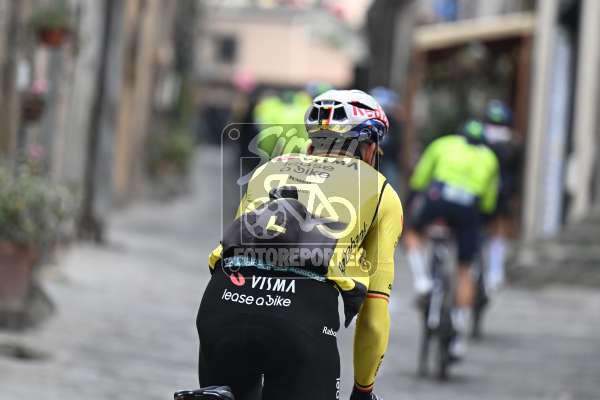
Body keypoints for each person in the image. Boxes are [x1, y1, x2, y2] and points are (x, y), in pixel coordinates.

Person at [197, 90, 404, 400]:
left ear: (310, 146)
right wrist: (363, 390)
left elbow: (231, 247)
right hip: (302, 316)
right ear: (371, 149)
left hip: (222, 301)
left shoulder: (268, 169)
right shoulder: (381, 190)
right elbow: (374, 314)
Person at [404, 119, 499, 358]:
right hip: (469, 206)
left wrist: (412, 198)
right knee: (465, 270)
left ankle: (422, 281)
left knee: (413, 234)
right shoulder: (490, 157)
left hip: (439, 198)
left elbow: (420, 178)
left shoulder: (443, 143)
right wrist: (482, 220)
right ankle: (458, 334)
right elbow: (489, 201)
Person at [482, 100, 521, 291]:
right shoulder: (512, 143)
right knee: (497, 231)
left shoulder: (486, 141)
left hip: (491, 191)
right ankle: (494, 272)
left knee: (494, 230)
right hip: (498, 190)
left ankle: (493, 272)